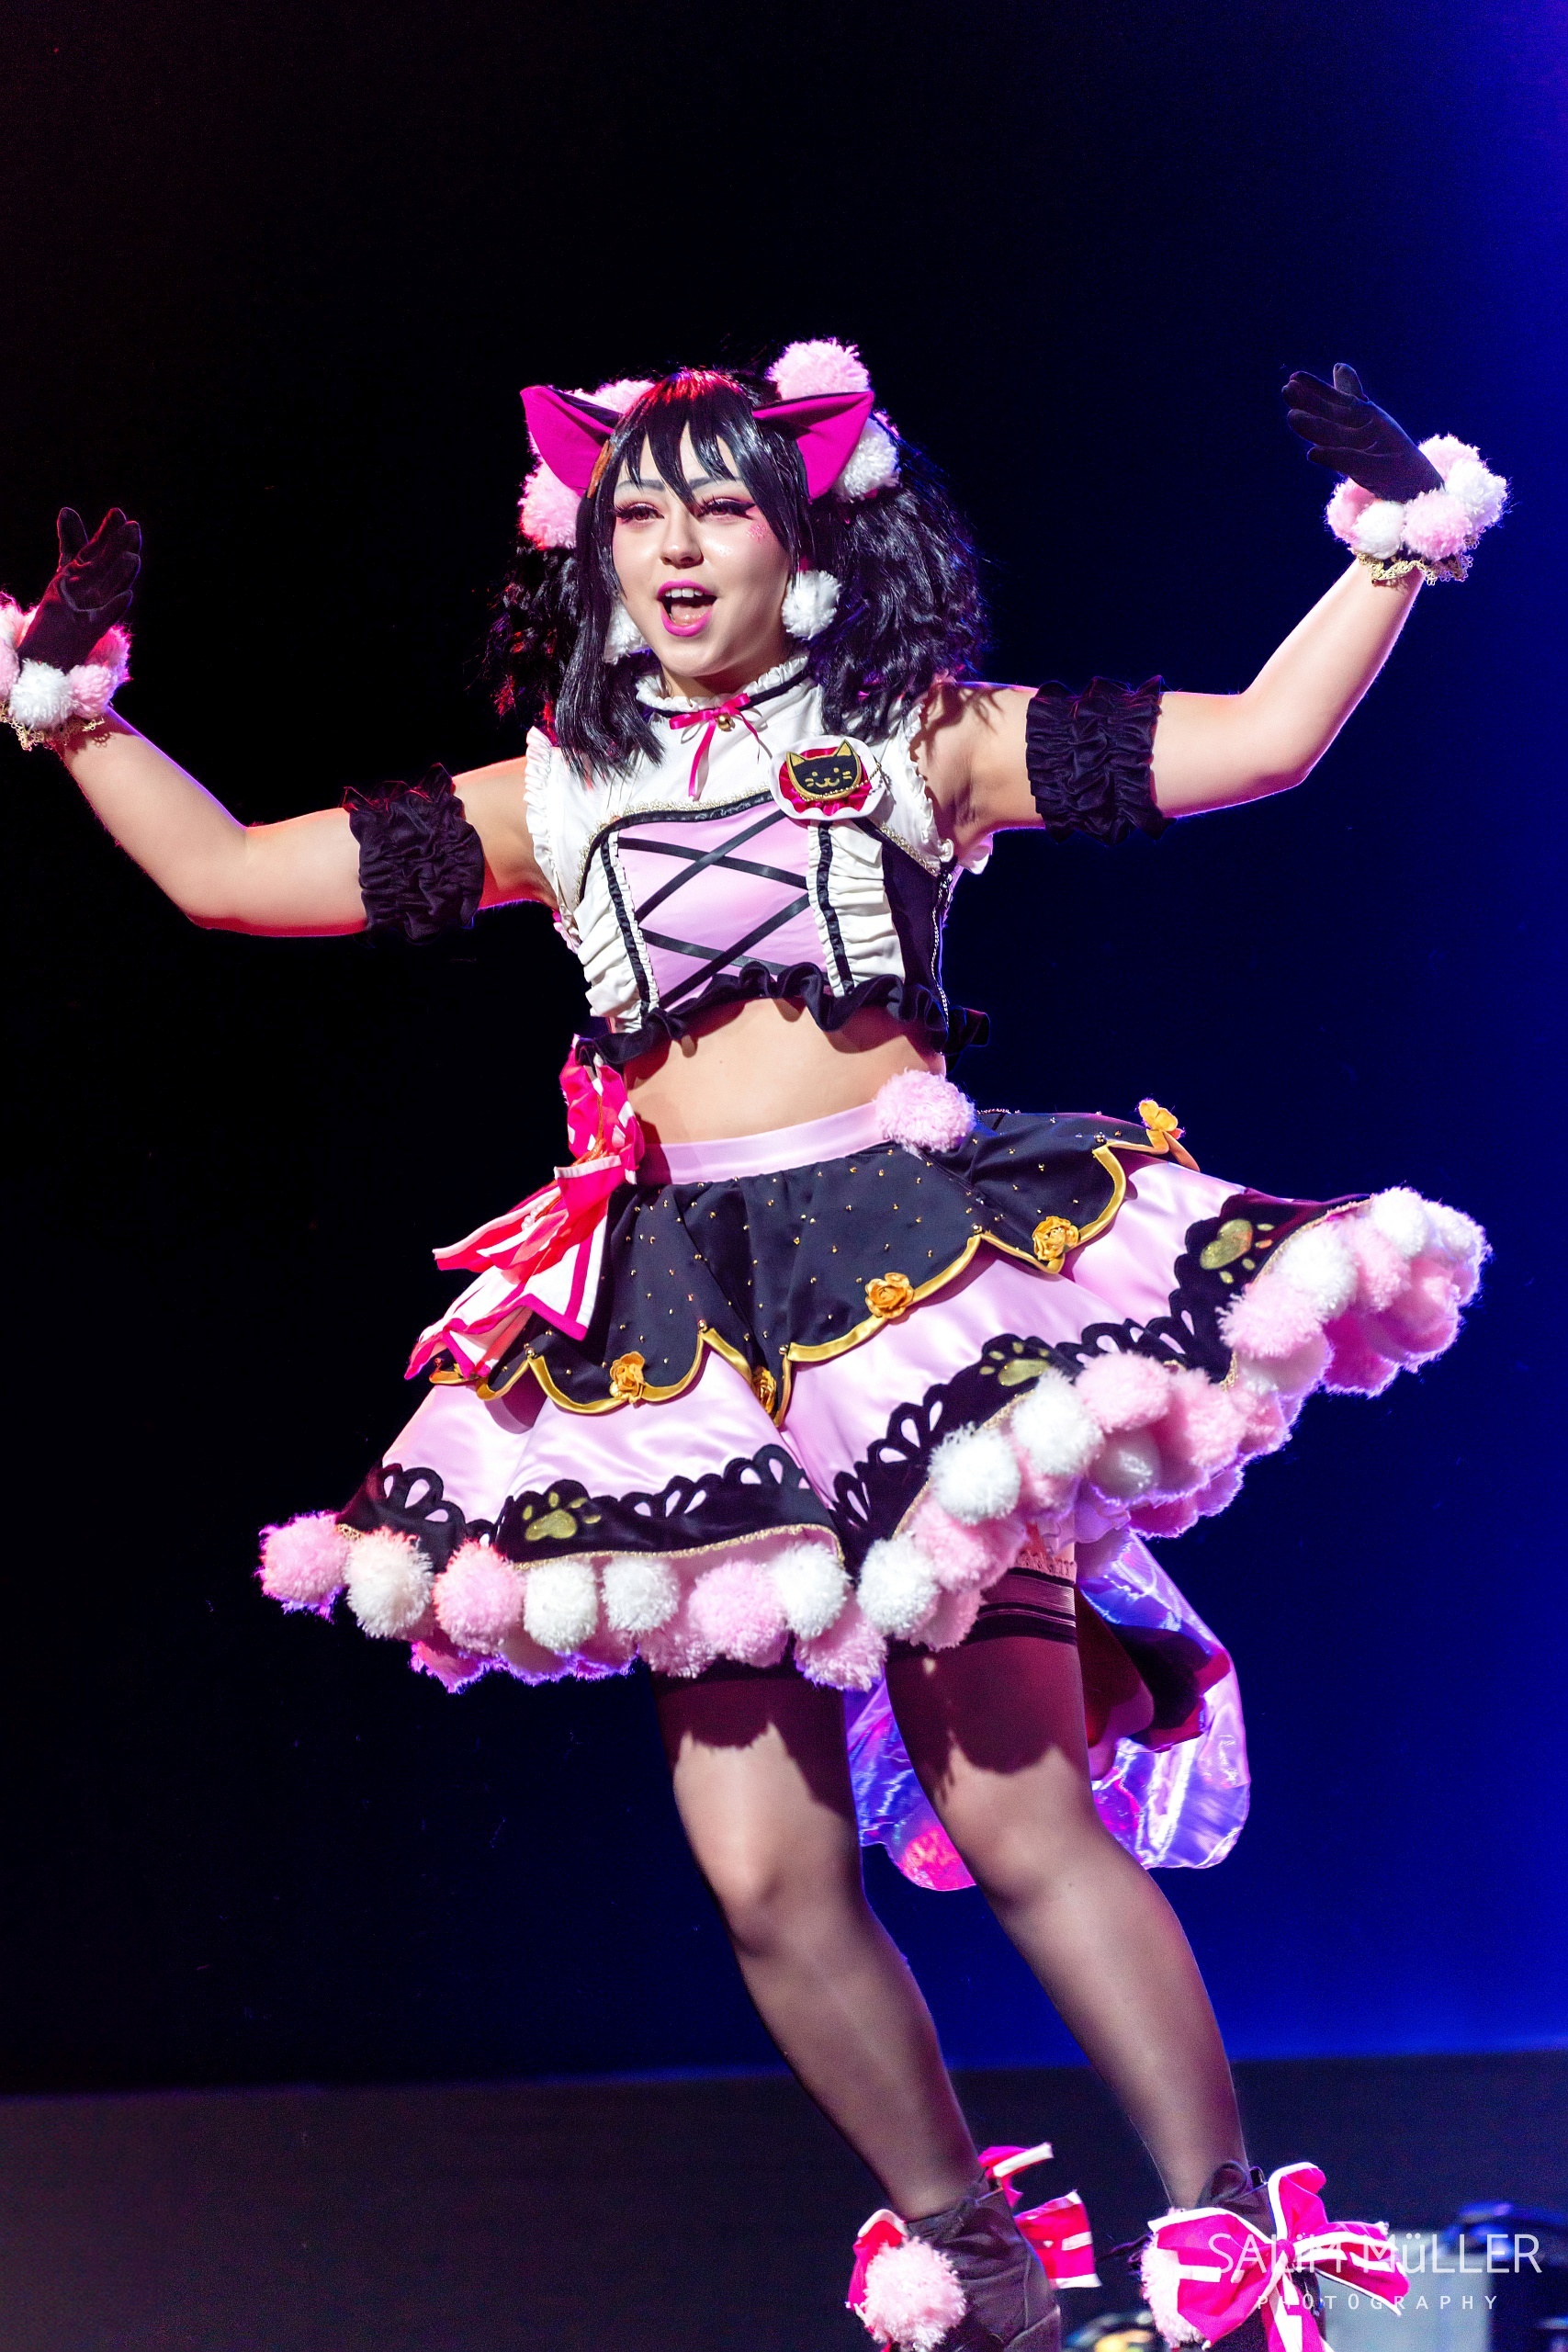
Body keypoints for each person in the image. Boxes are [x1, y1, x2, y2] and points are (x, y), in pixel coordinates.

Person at [0, 343, 1502, 2352]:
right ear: (592, 554)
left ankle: (1220, 2230)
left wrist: (1395, 550)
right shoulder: (558, 787)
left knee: (1013, 1809)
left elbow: (1255, 744)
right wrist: (75, 710)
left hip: (919, 1295)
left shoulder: (914, 736)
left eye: (718, 503)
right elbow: (228, 876)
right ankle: (973, 2257)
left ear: (805, 540)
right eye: (639, 510)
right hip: (675, 1349)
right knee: (761, 1877)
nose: (676, 543)